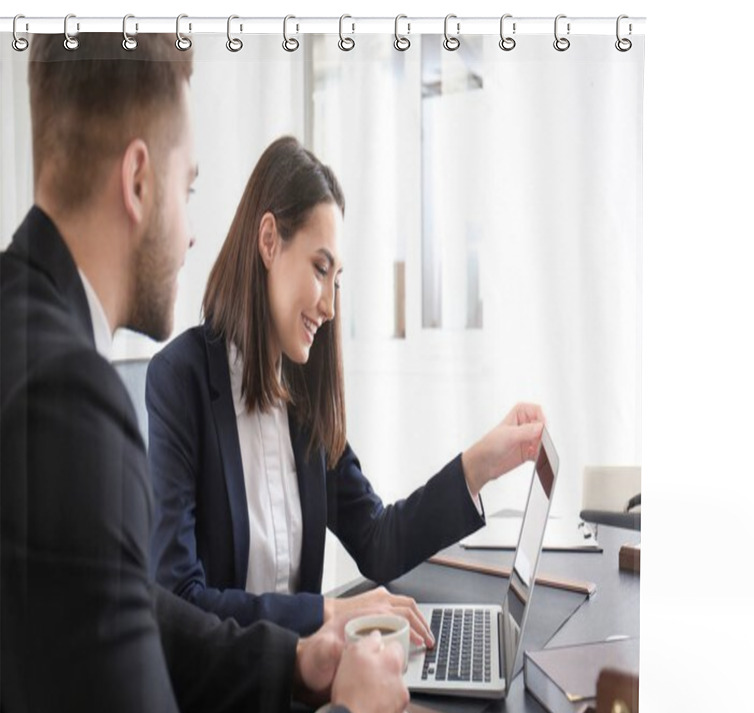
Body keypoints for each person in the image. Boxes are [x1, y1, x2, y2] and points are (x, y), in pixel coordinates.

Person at [0, 33, 408, 713]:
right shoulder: (68, 399)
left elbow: (136, 606)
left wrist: (294, 664)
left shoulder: (22, 330)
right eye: (187, 189)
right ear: (137, 181)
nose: (192, 235)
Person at [146, 136, 546, 643]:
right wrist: (330, 614)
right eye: (320, 268)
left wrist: (483, 462)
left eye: (336, 279)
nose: (331, 306)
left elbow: (378, 541)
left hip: (302, 689)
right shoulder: (179, 380)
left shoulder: (301, 401)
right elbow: (179, 599)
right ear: (269, 240)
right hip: (225, 704)